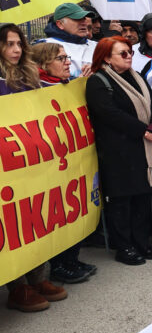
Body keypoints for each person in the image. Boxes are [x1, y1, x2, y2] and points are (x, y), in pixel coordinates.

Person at [85, 37, 152, 266]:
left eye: (130, 52)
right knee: (121, 200)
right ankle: (124, 247)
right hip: (117, 150)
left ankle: (142, 242)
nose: (129, 56)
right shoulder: (98, 82)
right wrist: (143, 130)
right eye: (122, 53)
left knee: (142, 196)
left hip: (142, 147)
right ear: (106, 58)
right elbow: (109, 113)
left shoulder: (136, 76)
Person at [1, 25, 68, 311]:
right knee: (12, 224)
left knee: (34, 219)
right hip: (7, 165)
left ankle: (38, 278)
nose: (16, 49)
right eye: (9, 44)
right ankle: (18, 287)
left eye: (19, 43)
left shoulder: (29, 75)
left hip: (31, 160)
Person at [27, 42, 97, 284]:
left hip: (73, 161)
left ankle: (71, 259)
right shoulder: (35, 90)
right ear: (43, 64)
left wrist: (84, 83)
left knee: (74, 210)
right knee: (57, 214)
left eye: (67, 57)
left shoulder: (67, 85)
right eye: (61, 58)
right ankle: (59, 265)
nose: (68, 62)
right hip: (50, 166)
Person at [39, 3, 96, 78]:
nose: (84, 23)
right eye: (77, 19)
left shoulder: (98, 46)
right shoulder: (45, 46)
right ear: (60, 24)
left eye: (84, 18)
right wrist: (76, 80)